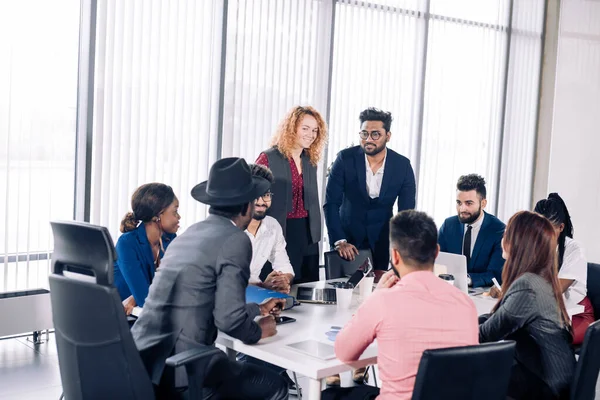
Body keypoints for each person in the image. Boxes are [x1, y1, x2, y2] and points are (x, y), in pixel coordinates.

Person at [131, 158, 288, 400]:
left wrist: (257, 308)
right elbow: (229, 320)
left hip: (146, 365)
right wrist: (258, 330)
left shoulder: (188, 234)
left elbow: (207, 302)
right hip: (185, 372)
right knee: (274, 384)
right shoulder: (236, 239)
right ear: (246, 205)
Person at [322, 210, 478, 400]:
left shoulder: (383, 301)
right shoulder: (466, 304)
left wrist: (375, 297)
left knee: (330, 395)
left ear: (394, 256)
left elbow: (343, 352)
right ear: (436, 252)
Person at [479, 211, 576, 399]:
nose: (503, 237)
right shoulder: (539, 279)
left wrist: (451, 329)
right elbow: (497, 318)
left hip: (544, 387)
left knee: (465, 374)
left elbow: (486, 334)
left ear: (520, 242)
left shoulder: (527, 286)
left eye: (507, 233)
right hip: (552, 378)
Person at [324, 108, 416, 270]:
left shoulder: (402, 165)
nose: (368, 139)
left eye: (375, 134)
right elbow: (331, 203)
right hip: (347, 241)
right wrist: (339, 241)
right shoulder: (345, 159)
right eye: (364, 134)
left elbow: (406, 212)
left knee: (377, 292)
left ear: (388, 136)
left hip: (382, 243)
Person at [256, 105, 328, 283]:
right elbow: (254, 198)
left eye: (315, 130)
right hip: (280, 229)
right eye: (305, 128)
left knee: (306, 286)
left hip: (307, 232)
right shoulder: (268, 157)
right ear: (291, 128)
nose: (310, 134)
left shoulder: (310, 160)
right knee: (278, 286)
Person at [534, 193, 593, 345]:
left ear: (561, 227)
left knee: (532, 340)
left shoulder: (573, 249)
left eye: (547, 230)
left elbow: (554, 290)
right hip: (542, 313)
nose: (541, 236)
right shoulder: (533, 246)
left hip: (574, 316)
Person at [113, 183, 180, 314]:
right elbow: (146, 299)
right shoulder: (127, 244)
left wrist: (134, 298)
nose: (179, 217)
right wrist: (139, 297)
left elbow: (176, 286)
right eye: (175, 211)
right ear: (158, 215)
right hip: (121, 318)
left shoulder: (170, 239)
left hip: (146, 315)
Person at [438, 174, 505, 288]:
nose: (462, 209)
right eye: (459, 202)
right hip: (449, 290)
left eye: (468, 203)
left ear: (483, 204)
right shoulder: (448, 225)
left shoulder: (498, 230)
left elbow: (495, 274)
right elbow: (437, 261)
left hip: (482, 294)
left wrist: (467, 280)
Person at [246, 164, 295, 293]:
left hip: (256, 296)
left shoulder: (272, 226)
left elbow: (284, 266)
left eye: (266, 195)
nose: (261, 202)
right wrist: (263, 286)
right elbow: (225, 285)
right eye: (255, 195)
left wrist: (282, 281)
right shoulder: (228, 229)